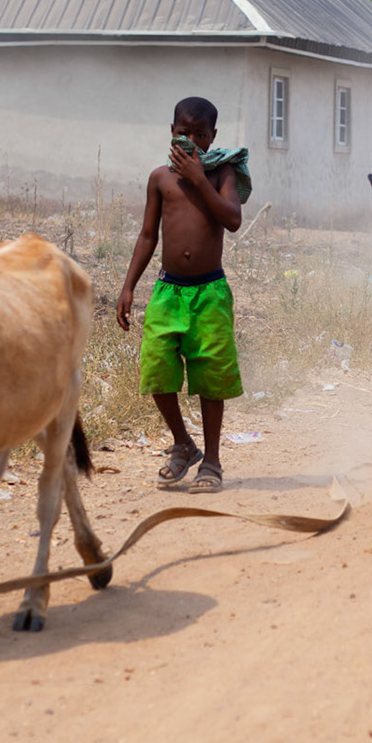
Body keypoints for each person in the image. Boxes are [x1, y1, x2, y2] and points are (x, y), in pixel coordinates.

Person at [116, 96, 251, 494]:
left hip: (210, 292)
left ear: (213, 137)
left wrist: (198, 178)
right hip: (168, 290)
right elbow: (147, 236)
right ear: (171, 132)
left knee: (210, 376)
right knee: (157, 368)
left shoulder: (222, 173)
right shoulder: (160, 179)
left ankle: (212, 461)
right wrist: (128, 287)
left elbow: (232, 219)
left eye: (200, 135)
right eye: (183, 133)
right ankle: (183, 443)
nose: (191, 141)